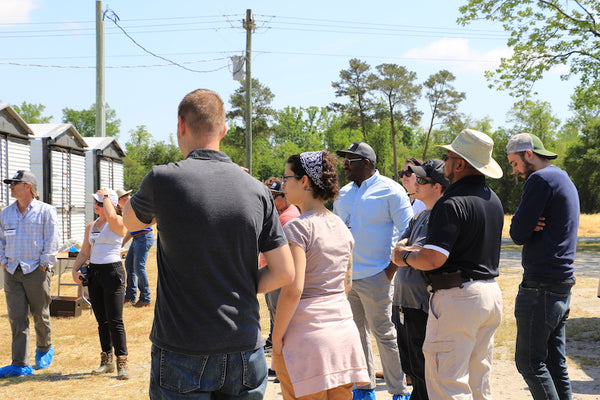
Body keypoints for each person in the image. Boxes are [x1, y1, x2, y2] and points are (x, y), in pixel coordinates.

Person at [122, 88, 295, 399]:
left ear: (180, 125)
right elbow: (284, 272)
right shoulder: (257, 191)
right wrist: (239, 284)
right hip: (245, 345)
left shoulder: (163, 179)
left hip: (182, 347)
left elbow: (131, 222)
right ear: (224, 130)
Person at [392, 129, 504, 400]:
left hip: (458, 298)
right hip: (489, 294)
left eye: (449, 156)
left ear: (460, 163)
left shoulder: (452, 202)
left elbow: (433, 259)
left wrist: (402, 257)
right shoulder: (493, 200)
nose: (447, 162)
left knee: (447, 384)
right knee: (478, 384)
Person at [272, 150, 369, 399]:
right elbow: (346, 285)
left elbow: (294, 289)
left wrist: (276, 337)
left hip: (306, 338)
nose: (284, 185)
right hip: (343, 335)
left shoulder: (298, 227)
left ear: (305, 181)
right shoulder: (340, 226)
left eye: (287, 178)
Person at [334, 141, 413, 400]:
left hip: (378, 275)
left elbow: (408, 232)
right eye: (344, 159)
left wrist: (389, 271)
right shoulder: (343, 193)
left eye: (350, 160)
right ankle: (363, 388)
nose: (344, 165)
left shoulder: (391, 190)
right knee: (355, 335)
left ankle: (398, 391)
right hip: (348, 277)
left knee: (385, 335)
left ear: (366, 163)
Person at [506, 133, 580, 400]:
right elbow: (524, 228)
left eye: (514, 163)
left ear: (529, 154)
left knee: (529, 363)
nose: (514, 171)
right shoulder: (562, 177)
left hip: (541, 286)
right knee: (553, 362)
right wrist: (526, 223)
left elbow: (517, 233)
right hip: (560, 283)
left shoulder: (540, 179)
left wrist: (524, 222)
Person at [392, 159, 449, 400]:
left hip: (421, 306)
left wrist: (405, 251)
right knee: (413, 371)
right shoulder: (419, 216)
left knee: (426, 374)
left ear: (438, 187)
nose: (415, 182)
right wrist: (407, 252)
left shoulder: (441, 216)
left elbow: (424, 255)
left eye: (422, 180)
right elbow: (397, 251)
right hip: (403, 303)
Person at [0, 170, 59, 378]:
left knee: (40, 313)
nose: (10, 187)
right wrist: (3, 261)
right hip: (12, 271)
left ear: (28, 186)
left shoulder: (46, 211)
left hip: (36, 270)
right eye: (10, 183)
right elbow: (1, 240)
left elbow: (52, 241)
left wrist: (43, 264)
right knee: (17, 318)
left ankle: (44, 348)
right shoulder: (6, 213)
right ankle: (19, 364)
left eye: (14, 183)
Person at [71, 189, 129, 380]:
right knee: (101, 320)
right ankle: (107, 360)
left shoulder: (118, 223)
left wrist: (106, 197)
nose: (95, 205)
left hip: (112, 272)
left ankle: (122, 362)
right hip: (95, 273)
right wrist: (75, 269)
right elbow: (85, 251)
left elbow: (112, 215)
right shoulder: (92, 225)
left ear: (109, 204)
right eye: (95, 202)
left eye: (99, 202)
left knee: (115, 320)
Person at [260, 178, 300, 356]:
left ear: (284, 197)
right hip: (275, 272)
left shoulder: (287, 217)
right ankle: (272, 343)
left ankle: (281, 352)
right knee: (275, 312)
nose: (272, 200)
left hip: (278, 274)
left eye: (275, 197)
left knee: (279, 314)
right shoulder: (282, 214)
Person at [118, 188, 154, 308]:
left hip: (144, 237)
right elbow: (132, 229)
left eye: (117, 202)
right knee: (129, 266)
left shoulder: (135, 206)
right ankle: (130, 296)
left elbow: (153, 216)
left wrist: (145, 225)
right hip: (138, 238)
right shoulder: (130, 207)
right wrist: (122, 243)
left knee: (138, 267)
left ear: (121, 199)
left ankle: (145, 298)